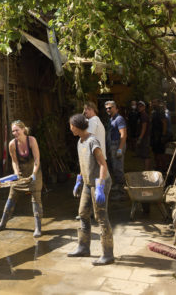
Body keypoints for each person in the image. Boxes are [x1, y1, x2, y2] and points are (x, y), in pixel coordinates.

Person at [68, 113, 115, 265]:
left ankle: (108, 254)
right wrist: (79, 180)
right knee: (82, 213)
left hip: (99, 182)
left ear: (77, 126)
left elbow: (103, 164)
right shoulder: (79, 142)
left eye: (71, 125)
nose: (70, 128)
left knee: (101, 216)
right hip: (88, 183)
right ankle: (83, 247)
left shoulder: (92, 141)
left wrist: (100, 186)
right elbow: (84, 163)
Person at [0, 120, 44, 237]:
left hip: (34, 173)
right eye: (13, 131)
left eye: (17, 130)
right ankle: (2, 223)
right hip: (21, 174)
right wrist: (16, 174)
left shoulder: (32, 140)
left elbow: (37, 160)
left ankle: (38, 228)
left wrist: (34, 174)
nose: (15, 133)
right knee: (11, 196)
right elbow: (14, 162)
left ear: (23, 129)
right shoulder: (12, 144)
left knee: (36, 199)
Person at [104, 100, 127, 190]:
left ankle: (121, 189)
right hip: (111, 145)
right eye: (106, 109)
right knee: (113, 166)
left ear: (115, 108)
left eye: (110, 108)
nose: (108, 110)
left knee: (118, 168)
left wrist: (120, 149)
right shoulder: (111, 119)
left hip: (117, 144)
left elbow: (123, 134)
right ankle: (117, 185)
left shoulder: (119, 119)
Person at [150, 99, 169, 172]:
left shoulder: (161, 111)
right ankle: (158, 166)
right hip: (154, 135)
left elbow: (164, 123)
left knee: (161, 153)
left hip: (160, 134)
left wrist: (163, 135)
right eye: (153, 102)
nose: (153, 103)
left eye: (155, 102)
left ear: (158, 103)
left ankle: (164, 168)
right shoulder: (153, 112)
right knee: (155, 152)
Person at [136, 101, 151, 170]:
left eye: (141, 106)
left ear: (144, 107)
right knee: (143, 154)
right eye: (138, 106)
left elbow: (144, 128)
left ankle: (146, 169)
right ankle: (145, 168)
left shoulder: (144, 116)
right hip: (143, 137)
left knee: (146, 154)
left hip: (145, 138)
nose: (139, 108)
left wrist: (140, 138)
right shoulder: (141, 115)